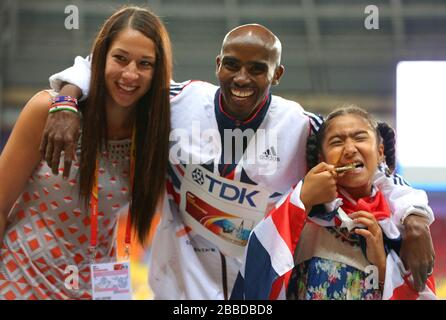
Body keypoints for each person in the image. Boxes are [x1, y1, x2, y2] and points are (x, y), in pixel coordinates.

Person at [42, 24, 434, 299]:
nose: (241, 77)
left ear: (276, 74)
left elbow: (372, 172)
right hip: (182, 279)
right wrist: (66, 99)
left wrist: (415, 219)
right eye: (231, 64)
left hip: (262, 282)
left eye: (256, 68)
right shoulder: (177, 102)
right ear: (217, 65)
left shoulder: (302, 128)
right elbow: (111, 71)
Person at [0, 6, 172, 299]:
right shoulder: (49, 112)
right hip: (20, 280)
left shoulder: (152, 133)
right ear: (101, 58)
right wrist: (66, 98)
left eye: (145, 64)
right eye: (120, 58)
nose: (130, 74)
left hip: (96, 286)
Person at [232, 106, 436, 300]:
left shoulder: (401, 223)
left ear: (380, 152)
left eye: (360, 137)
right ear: (322, 158)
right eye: (337, 142)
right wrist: (304, 199)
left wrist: (381, 264)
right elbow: (259, 268)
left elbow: (420, 292)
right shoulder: (304, 210)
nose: (349, 149)